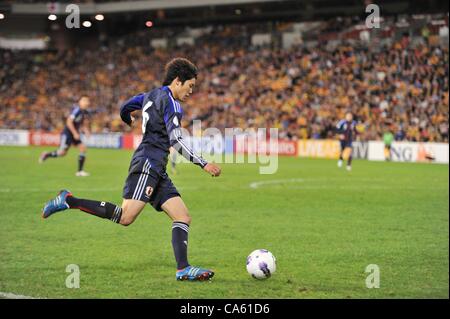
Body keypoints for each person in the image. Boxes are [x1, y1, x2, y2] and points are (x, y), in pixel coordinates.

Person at [41, 58, 222, 281]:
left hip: (157, 167)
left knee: (182, 216)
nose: (191, 91)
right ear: (177, 81)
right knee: (126, 217)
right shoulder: (173, 104)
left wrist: (127, 118)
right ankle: (69, 200)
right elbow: (176, 140)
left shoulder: (149, 95)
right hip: (148, 163)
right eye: (190, 85)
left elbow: (126, 106)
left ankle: (183, 268)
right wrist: (203, 163)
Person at [39, 96, 91, 177]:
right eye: (84, 100)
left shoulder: (84, 112)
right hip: (67, 134)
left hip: (74, 133)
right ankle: (46, 155)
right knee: (62, 153)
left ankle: (80, 171)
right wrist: (74, 133)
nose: (86, 102)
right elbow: (69, 122)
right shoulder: (76, 110)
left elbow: (82, 124)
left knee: (83, 148)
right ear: (79, 102)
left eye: (87, 101)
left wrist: (86, 130)